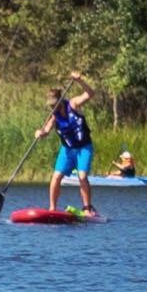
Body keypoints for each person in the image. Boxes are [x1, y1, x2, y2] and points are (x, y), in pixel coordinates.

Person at [36, 72, 97, 214]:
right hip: (67, 150)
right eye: (50, 105)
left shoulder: (73, 104)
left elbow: (90, 94)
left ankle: (87, 208)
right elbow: (46, 131)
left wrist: (80, 81)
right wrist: (40, 133)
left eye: (54, 105)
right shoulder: (54, 116)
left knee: (82, 176)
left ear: (60, 101)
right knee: (56, 177)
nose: (52, 108)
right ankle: (52, 208)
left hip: (84, 148)